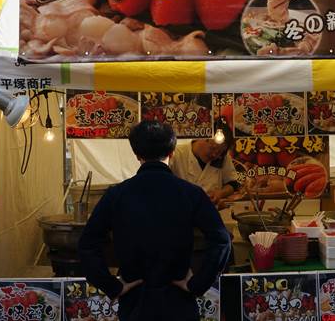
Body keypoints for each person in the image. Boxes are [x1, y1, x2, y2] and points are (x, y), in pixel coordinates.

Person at [79, 121, 231, 321]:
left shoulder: (117, 195)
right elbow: (221, 240)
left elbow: (87, 244)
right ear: (172, 153)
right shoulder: (191, 193)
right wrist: (197, 284)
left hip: (135, 304)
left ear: (137, 154)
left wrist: (112, 285)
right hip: (179, 302)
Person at [169, 124, 240, 208]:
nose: (214, 154)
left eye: (220, 151)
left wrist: (219, 193)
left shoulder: (222, 157)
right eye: (212, 148)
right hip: (181, 212)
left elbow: (233, 183)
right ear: (202, 138)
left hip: (210, 212)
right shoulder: (176, 154)